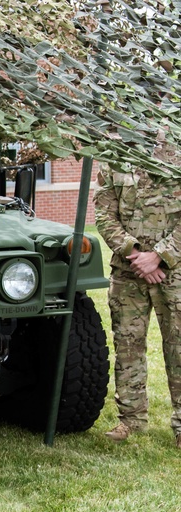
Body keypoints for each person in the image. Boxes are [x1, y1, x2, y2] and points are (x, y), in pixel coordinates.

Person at [95, 150, 181, 447]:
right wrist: (135, 255)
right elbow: (104, 215)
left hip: (175, 272)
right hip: (128, 272)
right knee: (127, 346)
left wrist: (160, 256)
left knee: (179, 346)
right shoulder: (114, 160)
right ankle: (131, 420)